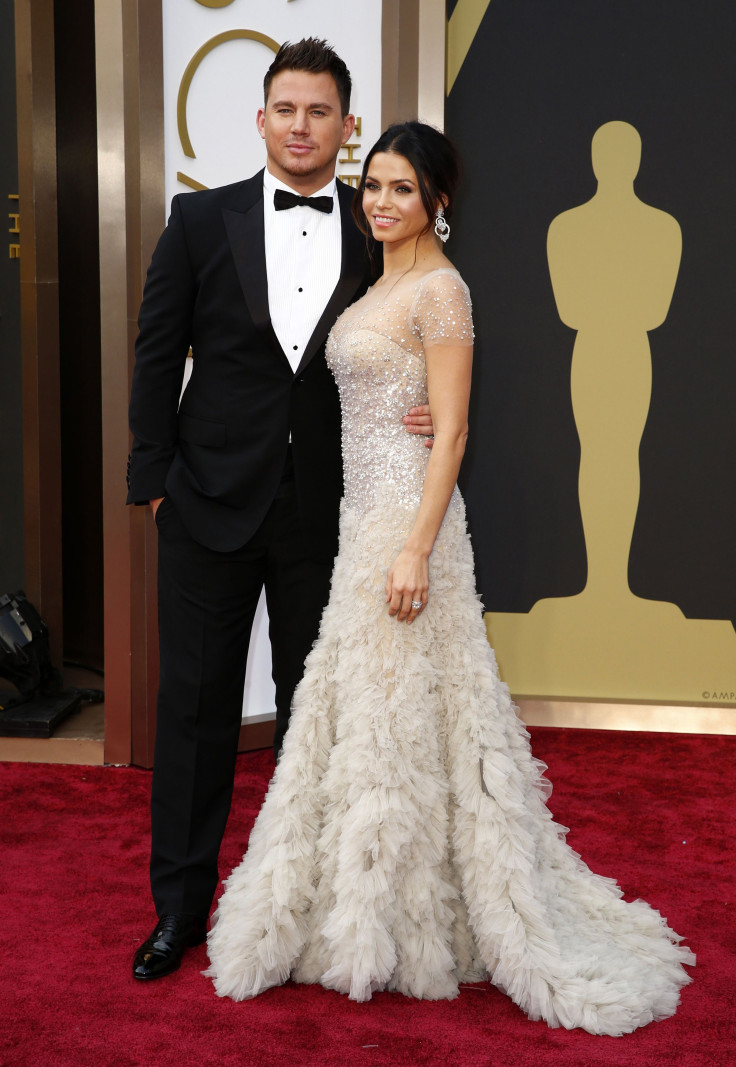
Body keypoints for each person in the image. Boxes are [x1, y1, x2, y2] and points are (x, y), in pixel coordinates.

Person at [204, 121, 695, 1035]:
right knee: (373, 715)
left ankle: (407, 918)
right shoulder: (377, 280)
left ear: (439, 201)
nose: (381, 203)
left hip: (408, 529)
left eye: (401, 189)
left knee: (408, 714)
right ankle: (367, 908)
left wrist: (416, 548)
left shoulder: (441, 290)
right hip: (363, 524)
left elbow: (455, 432)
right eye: (374, 186)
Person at [127, 40, 434, 982]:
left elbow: (427, 324)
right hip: (207, 506)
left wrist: (425, 408)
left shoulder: (375, 223)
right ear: (260, 119)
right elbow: (155, 352)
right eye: (285, 110)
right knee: (195, 716)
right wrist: (153, 481)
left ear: (347, 129)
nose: (301, 127)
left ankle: (310, 918)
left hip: (326, 516)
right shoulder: (197, 219)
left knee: (321, 721)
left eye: (320, 113)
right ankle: (178, 912)